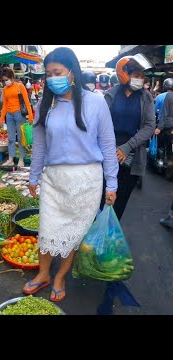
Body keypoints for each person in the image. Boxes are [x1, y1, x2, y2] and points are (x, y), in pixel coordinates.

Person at [24, 47, 118, 302]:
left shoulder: (96, 102)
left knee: (73, 235)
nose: (52, 78)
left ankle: (59, 277)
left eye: (57, 72)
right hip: (54, 180)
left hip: (86, 182)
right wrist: (33, 177)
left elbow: (108, 145)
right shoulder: (45, 106)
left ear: (72, 73)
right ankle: (43, 274)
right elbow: (40, 146)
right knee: (47, 229)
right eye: (49, 74)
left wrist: (112, 183)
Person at [103, 53, 156, 219]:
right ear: (124, 74)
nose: (141, 79)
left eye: (142, 76)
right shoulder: (111, 95)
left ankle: (111, 236)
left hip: (132, 156)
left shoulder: (146, 97)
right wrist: (111, 149)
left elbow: (149, 127)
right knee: (102, 200)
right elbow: (101, 125)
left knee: (119, 204)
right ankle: (97, 236)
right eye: (136, 75)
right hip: (107, 154)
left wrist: (127, 147)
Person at [0, 67, 33, 167]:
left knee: (21, 137)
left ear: (12, 78)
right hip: (9, 115)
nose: (6, 82)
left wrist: (30, 116)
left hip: (19, 114)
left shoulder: (20, 86)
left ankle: (21, 159)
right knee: (11, 138)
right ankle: (11, 159)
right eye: (4, 80)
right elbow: (4, 105)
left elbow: (27, 102)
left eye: (7, 79)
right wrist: (1, 118)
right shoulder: (5, 89)